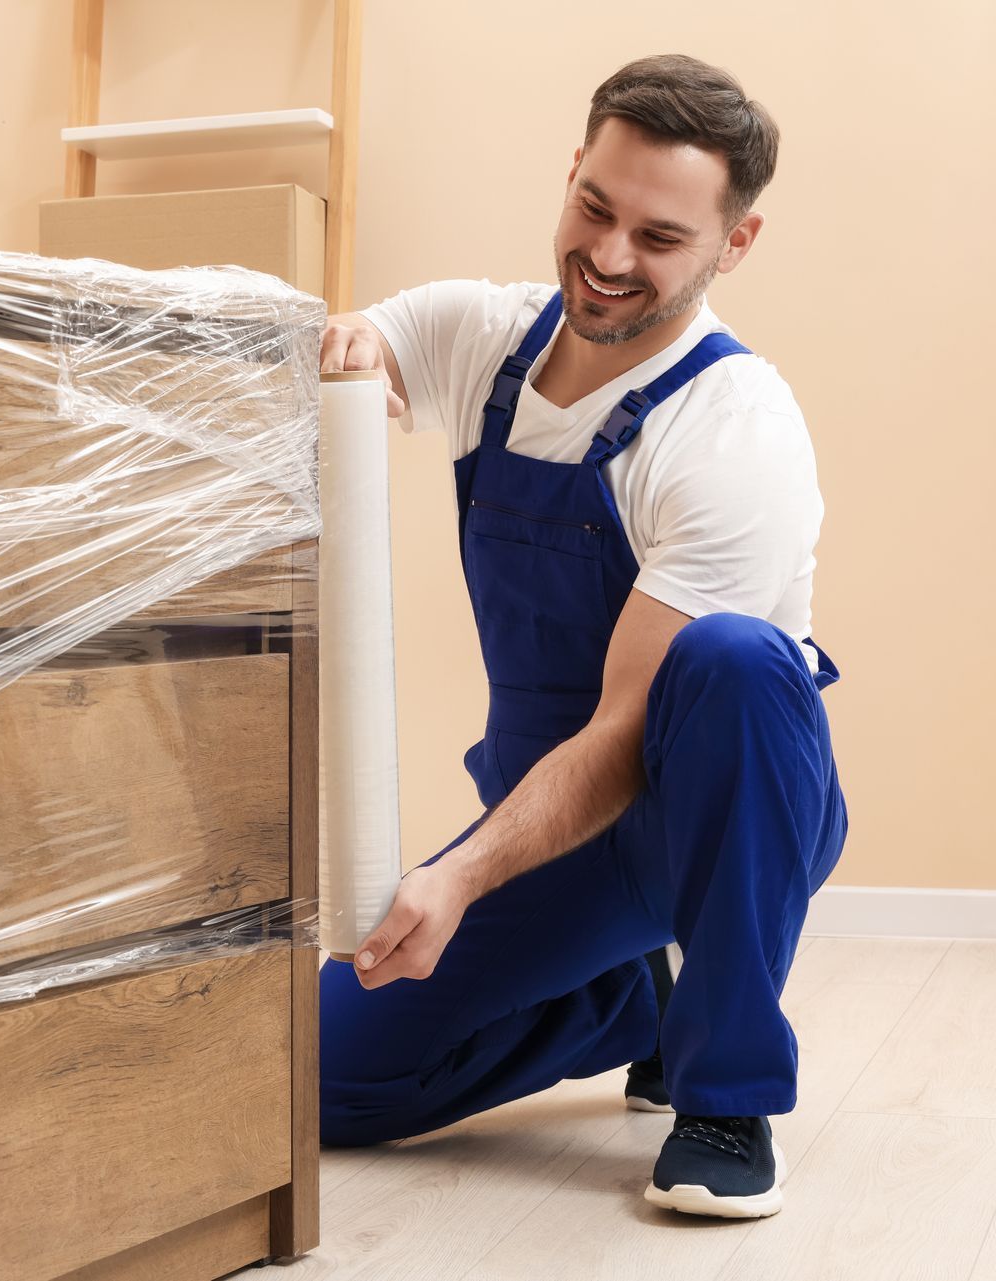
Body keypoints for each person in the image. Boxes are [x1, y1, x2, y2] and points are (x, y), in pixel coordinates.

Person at [316, 53, 843, 1221]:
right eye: (594, 209)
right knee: (320, 1081)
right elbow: (364, 344)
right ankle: (627, 1000)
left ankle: (725, 1092)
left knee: (735, 660)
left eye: (659, 237)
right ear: (572, 175)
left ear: (734, 244)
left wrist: (454, 877)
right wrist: (346, 357)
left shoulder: (733, 427)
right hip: (548, 826)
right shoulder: (484, 338)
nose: (609, 258)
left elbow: (621, 735)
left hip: (709, 817)